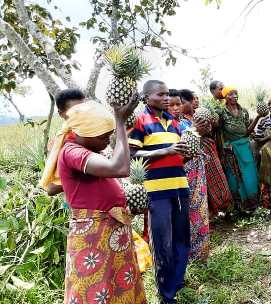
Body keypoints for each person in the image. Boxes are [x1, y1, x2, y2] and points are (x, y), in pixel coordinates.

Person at [41, 99, 146, 303]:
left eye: (109, 135)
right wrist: (121, 124)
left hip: (109, 231)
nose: (107, 141)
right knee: (93, 288)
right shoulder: (73, 152)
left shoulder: (87, 150)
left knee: (116, 286)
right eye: (103, 137)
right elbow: (120, 168)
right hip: (94, 235)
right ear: (83, 134)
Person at [129, 80, 190, 304]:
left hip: (180, 187)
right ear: (146, 97)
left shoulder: (174, 121)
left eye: (167, 94)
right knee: (162, 243)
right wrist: (166, 151)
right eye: (160, 94)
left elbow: (179, 153)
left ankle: (177, 281)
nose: (166, 98)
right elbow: (132, 155)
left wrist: (186, 152)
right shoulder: (139, 121)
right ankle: (166, 294)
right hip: (156, 191)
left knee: (182, 239)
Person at [178, 100, 212, 262]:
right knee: (194, 216)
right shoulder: (188, 135)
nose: (210, 129)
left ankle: (201, 254)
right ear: (202, 123)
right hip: (190, 185)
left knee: (200, 215)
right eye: (208, 124)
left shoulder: (194, 135)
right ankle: (195, 256)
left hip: (198, 184)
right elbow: (182, 159)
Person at [219, 86, 259, 212]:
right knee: (234, 176)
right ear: (225, 96)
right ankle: (239, 206)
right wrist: (224, 145)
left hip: (245, 146)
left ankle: (252, 205)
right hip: (231, 148)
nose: (234, 96)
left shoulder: (244, 111)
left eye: (236, 94)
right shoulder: (222, 113)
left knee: (249, 173)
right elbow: (219, 132)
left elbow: (247, 131)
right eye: (231, 94)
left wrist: (258, 117)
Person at [41, 89, 86, 196]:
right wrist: (89, 175)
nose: (81, 115)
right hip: (81, 203)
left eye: (84, 110)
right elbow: (51, 188)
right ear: (61, 114)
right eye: (75, 111)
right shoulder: (59, 143)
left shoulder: (90, 133)